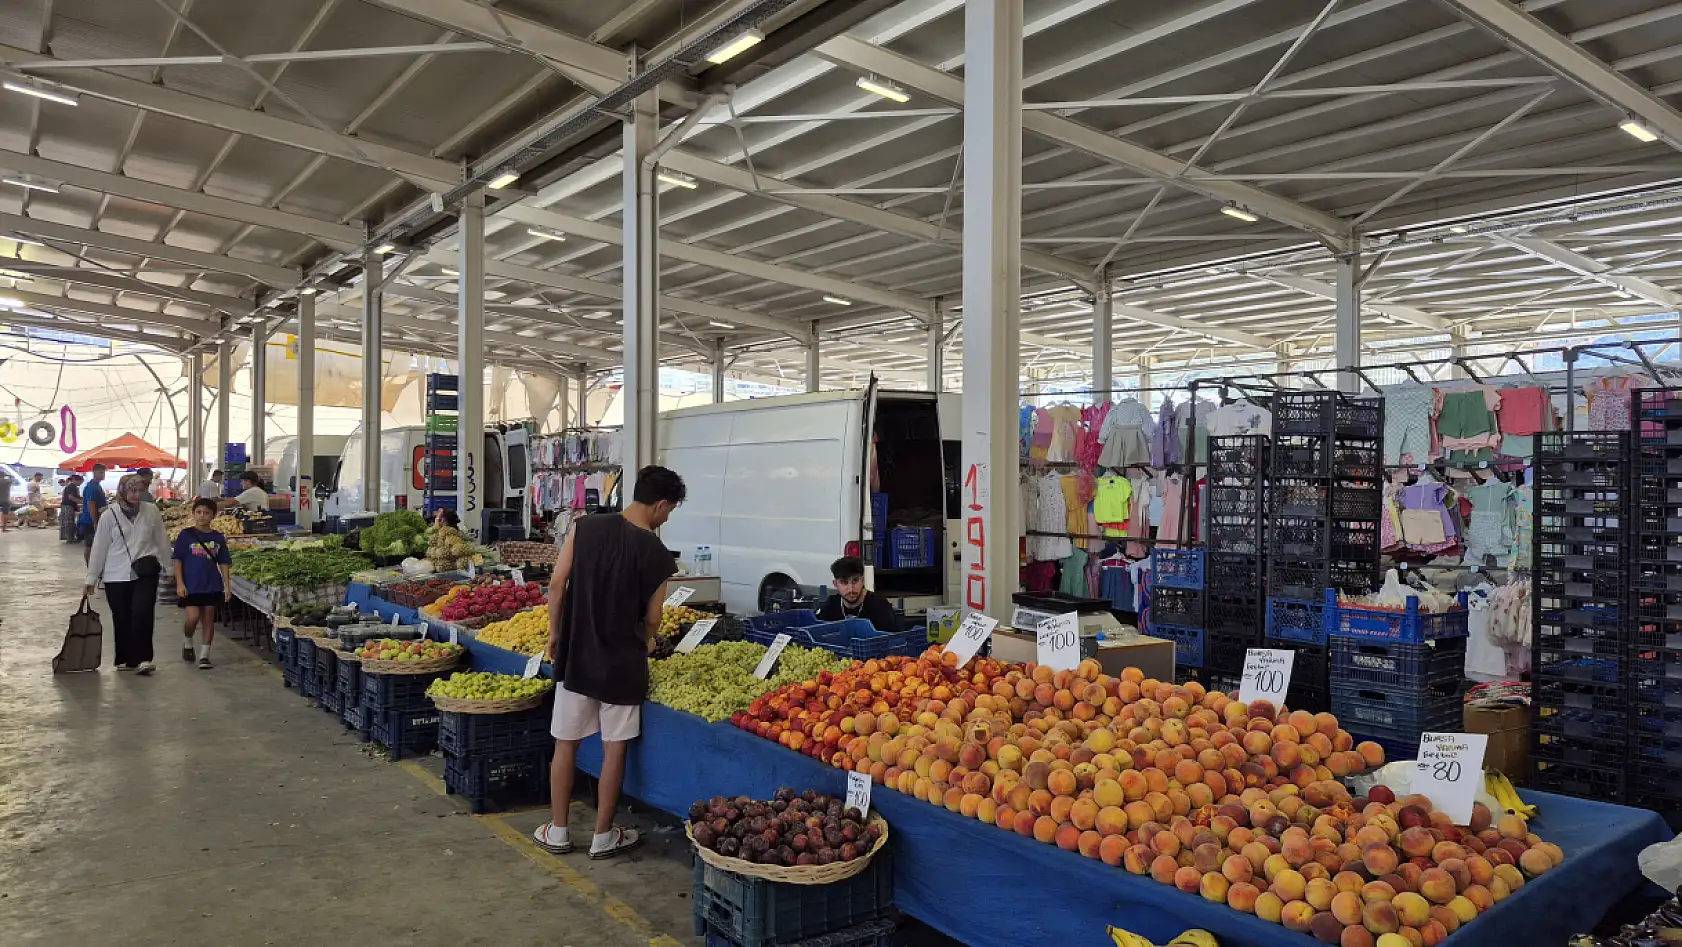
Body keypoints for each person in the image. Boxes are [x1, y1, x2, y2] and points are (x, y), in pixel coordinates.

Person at [534, 465, 685, 859]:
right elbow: (654, 617)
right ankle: (603, 835)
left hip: (578, 654)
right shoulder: (657, 553)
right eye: (670, 511)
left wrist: (555, 633)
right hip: (623, 662)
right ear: (660, 505)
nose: (667, 518)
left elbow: (556, 584)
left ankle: (558, 830)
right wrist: (647, 639)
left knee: (566, 741)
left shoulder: (585, 527)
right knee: (614, 747)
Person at [84, 476, 171, 674]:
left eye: (140, 491)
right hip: (116, 574)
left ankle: (144, 659)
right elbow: (99, 548)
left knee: (143, 613)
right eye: (132, 491)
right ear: (122, 490)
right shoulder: (109, 515)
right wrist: (91, 578)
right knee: (122, 616)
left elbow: (162, 540)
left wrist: (169, 567)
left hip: (145, 571)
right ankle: (125, 659)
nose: (136, 495)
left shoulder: (151, 511)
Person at [172, 497, 232, 669]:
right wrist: (179, 583)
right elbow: (177, 560)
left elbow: (224, 562)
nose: (202, 516)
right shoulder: (185, 535)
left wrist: (227, 586)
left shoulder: (218, 537)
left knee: (208, 619)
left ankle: (205, 656)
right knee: (192, 618)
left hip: (211, 583)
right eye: (198, 512)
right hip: (191, 584)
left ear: (213, 515)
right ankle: (188, 641)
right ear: (193, 514)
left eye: (206, 513)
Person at [815, 555, 902, 631]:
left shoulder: (879, 606)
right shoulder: (831, 605)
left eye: (855, 581)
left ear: (862, 581)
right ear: (835, 584)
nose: (851, 588)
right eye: (844, 582)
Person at [79, 464, 108, 561]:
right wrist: (95, 521)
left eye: (103, 472)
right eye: (100, 472)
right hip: (89, 520)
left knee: (94, 545)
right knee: (90, 545)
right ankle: (90, 566)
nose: (103, 475)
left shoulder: (97, 486)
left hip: (95, 519)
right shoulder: (92, 487)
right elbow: (91, 504)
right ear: (94, 472)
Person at [59, 474, 83, 542]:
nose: (80, 484)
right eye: (80, 482)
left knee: (66, 522)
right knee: (69, 522)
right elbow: (71, 497)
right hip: (68, 506)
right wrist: (82, 502)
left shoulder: (70, 486)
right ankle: (69, 538)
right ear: (76, 480)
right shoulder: (72, 486)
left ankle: (67, 537)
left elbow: (76, 497)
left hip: (66, 505)